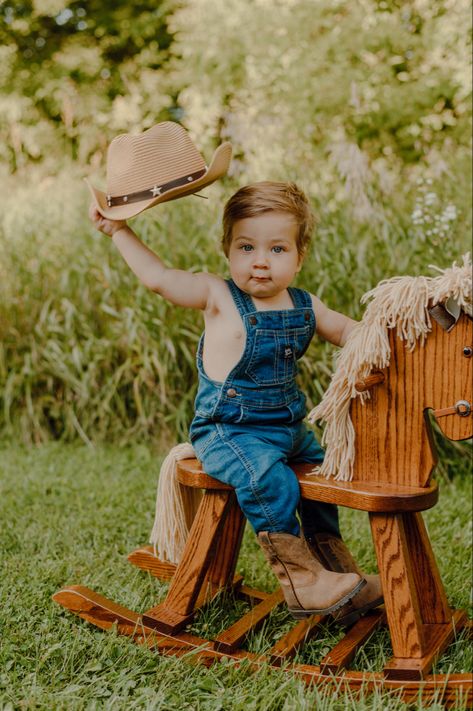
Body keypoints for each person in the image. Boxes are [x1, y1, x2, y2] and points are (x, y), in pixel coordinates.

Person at [89, 179, 382, 621]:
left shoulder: (305, 305)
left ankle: (336, 569)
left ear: (300, 257)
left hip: (289, 431)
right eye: (246, 247)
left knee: (327, 477)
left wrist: (393, 332)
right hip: (230, 432)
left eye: (277, 250)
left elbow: (349, 332)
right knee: (268, 480)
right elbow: (159, 279)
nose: (260, 262)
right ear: (227, 249)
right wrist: (119, 231)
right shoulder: (217, 295)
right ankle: (299, 580)